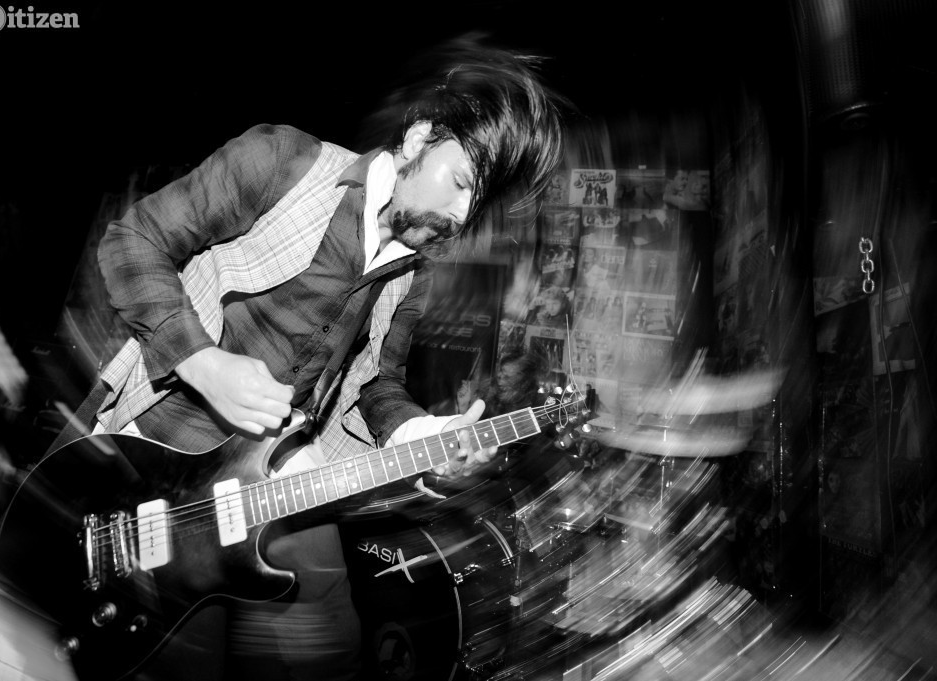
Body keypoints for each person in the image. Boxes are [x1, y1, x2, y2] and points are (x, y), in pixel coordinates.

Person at [63, 40, 565, 681]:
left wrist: (428, 436)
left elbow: (376, 384)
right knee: (183, 660)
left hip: (283, 477)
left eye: (477, 204)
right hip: (160, 463)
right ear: (417, 140)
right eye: (461, 181)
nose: (460, 215)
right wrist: (203, 363)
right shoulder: (282, 161)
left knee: (329, 656)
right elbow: (134, 240)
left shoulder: (417, 275)